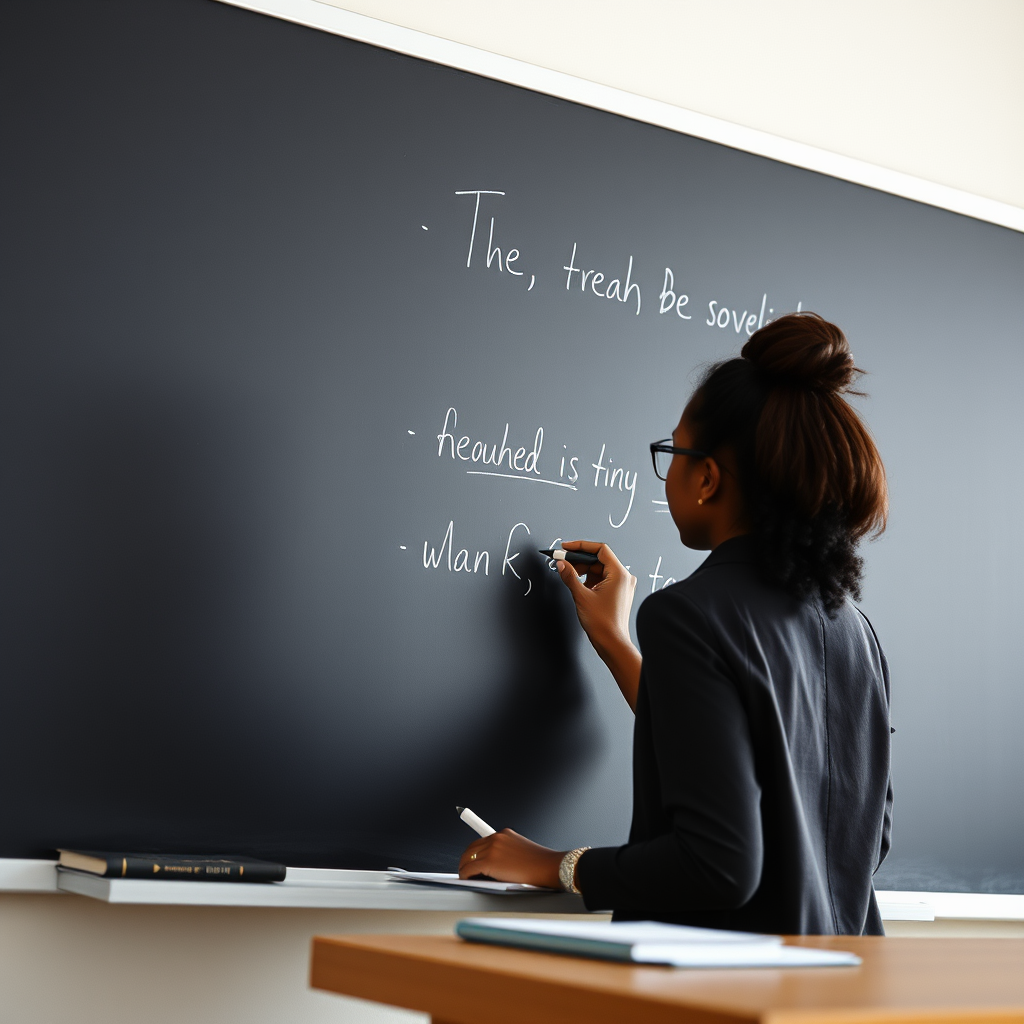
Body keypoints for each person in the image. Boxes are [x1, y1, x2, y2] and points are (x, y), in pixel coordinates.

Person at [458, 312, 893, 935]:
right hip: (834, 991)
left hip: (723, 989)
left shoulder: (690, 613)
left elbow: (719, 865)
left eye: (674, 453)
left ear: (708, 477)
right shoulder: (855, 630)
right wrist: (615, 642)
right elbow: (859, 835)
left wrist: (555, 864)